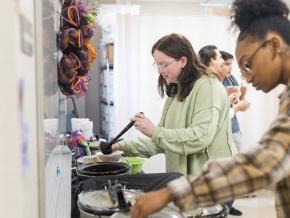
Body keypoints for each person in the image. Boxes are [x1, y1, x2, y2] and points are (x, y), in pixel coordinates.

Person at [131, 0, 290, 218]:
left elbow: (264, 163)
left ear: (274, 45)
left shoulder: (208, 86)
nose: (245, 76)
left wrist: (170, 194)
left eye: (247, 63)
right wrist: (126, 146)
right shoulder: (176, 91)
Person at [111, 33, 236, 178]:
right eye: (157, 64)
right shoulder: (177, 89)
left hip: (214, 182)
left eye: (164, 64)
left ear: (183, 61)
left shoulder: (208, 86)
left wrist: (154, 131)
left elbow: (200, 137)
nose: (160, 70)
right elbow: (161, 142)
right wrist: (120, 147)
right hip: (187, 182)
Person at [198, 45, 242, 216]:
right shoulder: (210, 86)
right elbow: (216, 119)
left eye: (230, 64)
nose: (227, 66)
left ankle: (225, 207)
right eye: (224, 62)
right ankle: (221, 208)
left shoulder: (222, 83)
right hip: (215, 142)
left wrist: (236, 99)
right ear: (213, 62)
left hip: (228, 136)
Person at [220, 51, 250, 152]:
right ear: (219, 64)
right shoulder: (211, 84)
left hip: (234, 130)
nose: (231, 67)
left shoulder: (231, 79)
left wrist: (243, 94)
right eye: (227, 64)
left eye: (231, 64)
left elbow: (238, 103)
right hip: (220, 133)